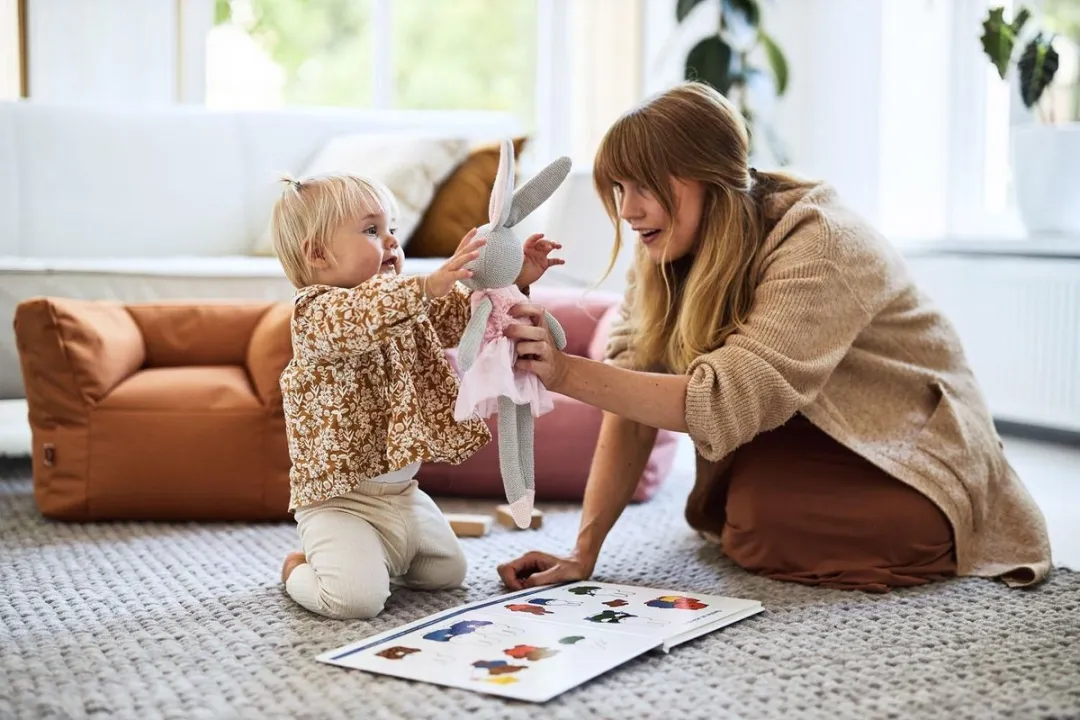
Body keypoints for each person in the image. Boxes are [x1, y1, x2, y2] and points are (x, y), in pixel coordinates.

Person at [498, 81, 1052, 594]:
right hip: (811, 426)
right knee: (740, 515)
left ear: (709, 176)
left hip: (908, 437)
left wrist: (566, 371)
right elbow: (633, 394)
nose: (627, 209)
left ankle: (942, 521)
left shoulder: (822, 241)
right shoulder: (662, 254)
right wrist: (582, 552)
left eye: (644, 185)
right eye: (618, 188)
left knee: (760, 528)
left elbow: (724, 399)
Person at [269, 172, 561, 619]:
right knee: (355, 602)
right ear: (317, 254)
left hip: (403, 494)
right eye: (371, 230)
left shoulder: (405, 303)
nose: (390, 241)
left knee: (448, 573)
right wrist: (428, 285)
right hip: (340, 503)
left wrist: (514, 279)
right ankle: (299, 569)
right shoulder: (316, 312)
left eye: (392, 230)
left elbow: (464, 317)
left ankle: (376, 557)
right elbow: (362, 319)